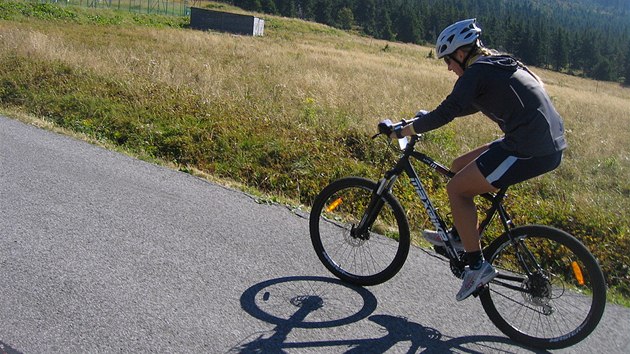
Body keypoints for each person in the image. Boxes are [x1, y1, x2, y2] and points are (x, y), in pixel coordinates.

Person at [384, 19, 567, 301]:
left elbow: (448, 111)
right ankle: (460, 235)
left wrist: (404, 129)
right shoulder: (498, 62)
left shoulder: (475, 72)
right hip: (536, 140)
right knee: (458, 166)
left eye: (448, 60)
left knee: (457, 189)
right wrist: (424, 119)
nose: (448, 68)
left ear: (460, 53)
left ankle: (476, 265)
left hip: (530, 149)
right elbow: (466, 105)